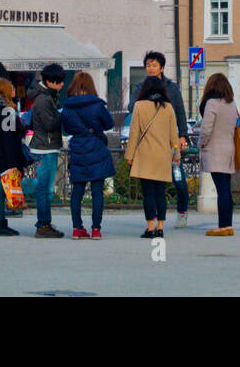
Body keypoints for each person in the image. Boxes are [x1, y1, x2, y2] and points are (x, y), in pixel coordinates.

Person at [131, 51, 190, 227]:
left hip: (168, 141)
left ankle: (182, 210)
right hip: (148, 143)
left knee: (178, 179)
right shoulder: (140, 86)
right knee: (152, 186)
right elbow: (131, 107)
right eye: (148, 65)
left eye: (154, 65)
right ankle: (155, 219)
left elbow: (180, 113)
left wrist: (183, 135)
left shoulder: (171, 87)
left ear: (162, 68)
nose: (150, 68)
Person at [125, 74, 179, 239]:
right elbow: (173, 134)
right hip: (163, 156)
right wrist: (176, 154)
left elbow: (134, 132)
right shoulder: (168, 107)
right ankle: (161, 227)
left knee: (148, 193)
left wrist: (130, 155)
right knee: (160, 192)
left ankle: (150, 228)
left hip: (145, 155)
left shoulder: (139, 106)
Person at [61, 72, 114, 239]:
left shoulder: (68, 108)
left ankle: (77, 228)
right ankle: (96, 229)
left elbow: (67, 129)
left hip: (78, 148)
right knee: (97, 191)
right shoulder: (98, 106)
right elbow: (109, 124)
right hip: (96, 147)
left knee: (77, 190)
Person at [198, 73, 239, 237]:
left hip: (215, 150)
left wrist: (200, 143)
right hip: (229, 149)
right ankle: (228, 224)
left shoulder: (212, 103)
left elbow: (206, 128)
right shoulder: (231, 104)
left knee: (221, 189)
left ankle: (223, 226)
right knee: (226, 190)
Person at [0, 77, 27, 237]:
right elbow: (9, 136)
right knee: (2, 190)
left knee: (0, 186)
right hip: (6, 154)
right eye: (12, 89)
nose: (15, 91)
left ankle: (0, 222)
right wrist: (14, 161)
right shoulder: (7, 110)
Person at [29, 63, 66, 239]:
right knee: (45, 190)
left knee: (46, 189)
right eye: (59, 82)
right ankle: (43, 225)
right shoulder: (43, 100)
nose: (62, 85)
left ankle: (45, 223)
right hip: (45, 148)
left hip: (46, 146)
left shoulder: (46, 96)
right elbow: (49, 124)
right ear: (50, 81)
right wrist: (62, 116)